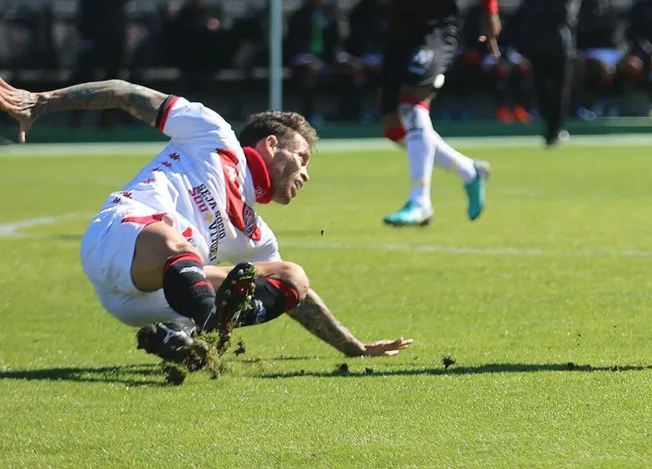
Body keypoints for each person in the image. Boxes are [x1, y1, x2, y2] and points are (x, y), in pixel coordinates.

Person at [0, 76, 412, 370]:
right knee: (176, 241)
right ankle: (203, 329)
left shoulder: (256, 235)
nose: (305, 173)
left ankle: (184, 333)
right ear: (270, 145)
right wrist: (42, 102)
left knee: (293, 276)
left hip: (154, 297)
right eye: (301, 158)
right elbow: (125, 94)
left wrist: (354, 348)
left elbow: (300, 301)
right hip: (118, 238)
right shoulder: (216, 135)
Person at [347, 0, 497, 226]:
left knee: (414, 105)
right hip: (397, 27)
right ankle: (468, 171)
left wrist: (489, 11)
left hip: (438, 27)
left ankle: (420, 201)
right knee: (394, 127)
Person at [518, 0, 581, 146]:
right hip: (539, 46)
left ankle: (557, 128)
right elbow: (528, 13)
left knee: (561, 90)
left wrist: (545, 10)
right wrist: (548, 9)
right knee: (540, 89)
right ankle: (547, 126)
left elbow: (566, 14)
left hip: (562, 46)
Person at [74, 0, 137, 128]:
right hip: (93, 30)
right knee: (87, 74)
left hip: (115, 30)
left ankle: (109, 118)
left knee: (115, 75)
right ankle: (78, 117)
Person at [576, 0, 635, 118]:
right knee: (604, 69)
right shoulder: (576, 5)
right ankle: (600, 103)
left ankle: (619, 104)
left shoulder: (604, 2)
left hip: (612, 50)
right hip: (589, 50)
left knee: (632, 65)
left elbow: (616, 28)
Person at [285, 0, 343, 122]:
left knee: (351, 68)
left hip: (326, 57)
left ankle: (348, 112)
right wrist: (309, 55)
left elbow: (337, 39)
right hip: (302, 56)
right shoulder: (299, 15)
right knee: (309, 68)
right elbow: (293, 41)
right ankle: (309, 113)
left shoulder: (331, 15)